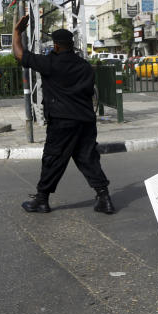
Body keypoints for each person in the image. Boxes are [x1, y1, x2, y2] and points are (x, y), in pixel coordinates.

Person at [12, 15, 114, 215]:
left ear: (57, 46)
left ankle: (42, 200)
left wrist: (17, 32)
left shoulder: (51, 63)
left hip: (62, 122)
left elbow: (19, 54)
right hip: (85, 121)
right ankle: (104, 198)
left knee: (53, 158)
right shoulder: (84, 66)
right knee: (88, 158)